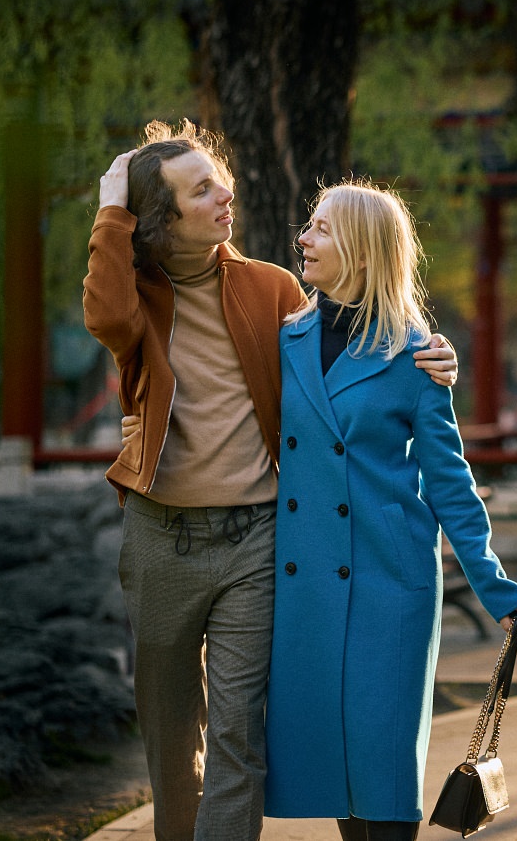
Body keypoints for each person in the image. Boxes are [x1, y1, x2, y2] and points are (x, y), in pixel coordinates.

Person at [83, 121, 458, 841]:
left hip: (257, 537)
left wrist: (433, 360)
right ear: (161, 223)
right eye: (201, 189)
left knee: (236, 734)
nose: (226, 193)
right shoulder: (137, 295)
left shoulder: (271, 289)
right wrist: (110, 203)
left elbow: (349, 363)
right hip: (161, 538)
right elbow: (102, 314)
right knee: (169, 735)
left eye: (219, 177)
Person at [263, 179, 517, 841]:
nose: (303, 239)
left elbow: (450, 483)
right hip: (306, 588)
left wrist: (495, 586)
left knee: (385, 772)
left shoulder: (415, 355)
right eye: (308, 225)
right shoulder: (283, 340)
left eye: (321, 229)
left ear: (362, 254)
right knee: (337, 769)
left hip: (390, 589)